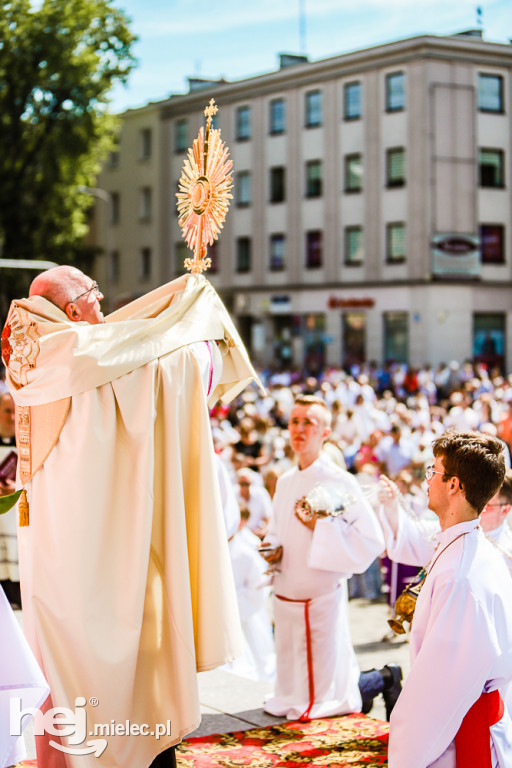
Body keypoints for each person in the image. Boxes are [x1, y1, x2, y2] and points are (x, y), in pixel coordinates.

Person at [2, 265, 261, 768]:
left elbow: (128, 349)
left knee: (64, 656)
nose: (103, 306)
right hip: (106, 550)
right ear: (73, 308)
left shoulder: (29, 353)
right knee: (127, 657)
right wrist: (199, 330)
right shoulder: (85, 357)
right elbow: (166, 374)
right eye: (95, 296)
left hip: (57, 556)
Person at [261, 396, 401, 722]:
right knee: (292, 680)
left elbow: (371, 540)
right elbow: (276, 531)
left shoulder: (340, 481)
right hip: (287, 593)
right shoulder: (284, 482)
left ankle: (384, 678)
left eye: (308, 422)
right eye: (294, 421)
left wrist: (320, 526)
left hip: (320, 596)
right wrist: (270, 549)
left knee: (328, 686)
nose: (298, 429)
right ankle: (381, 679)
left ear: (325, 432)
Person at [383, 431, 512, 767]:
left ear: (454, 485)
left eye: (433, 472)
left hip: (459, 738)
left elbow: (439, 690)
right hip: (467, 724)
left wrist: (404, 751)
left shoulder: (461, 576)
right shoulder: (468, 547)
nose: (427, 480)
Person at [0, 392, 20, 608]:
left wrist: (18, 487)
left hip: (15, 512)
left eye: (15, 412)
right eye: (7, 411)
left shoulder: (25, 443)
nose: (13, 417)